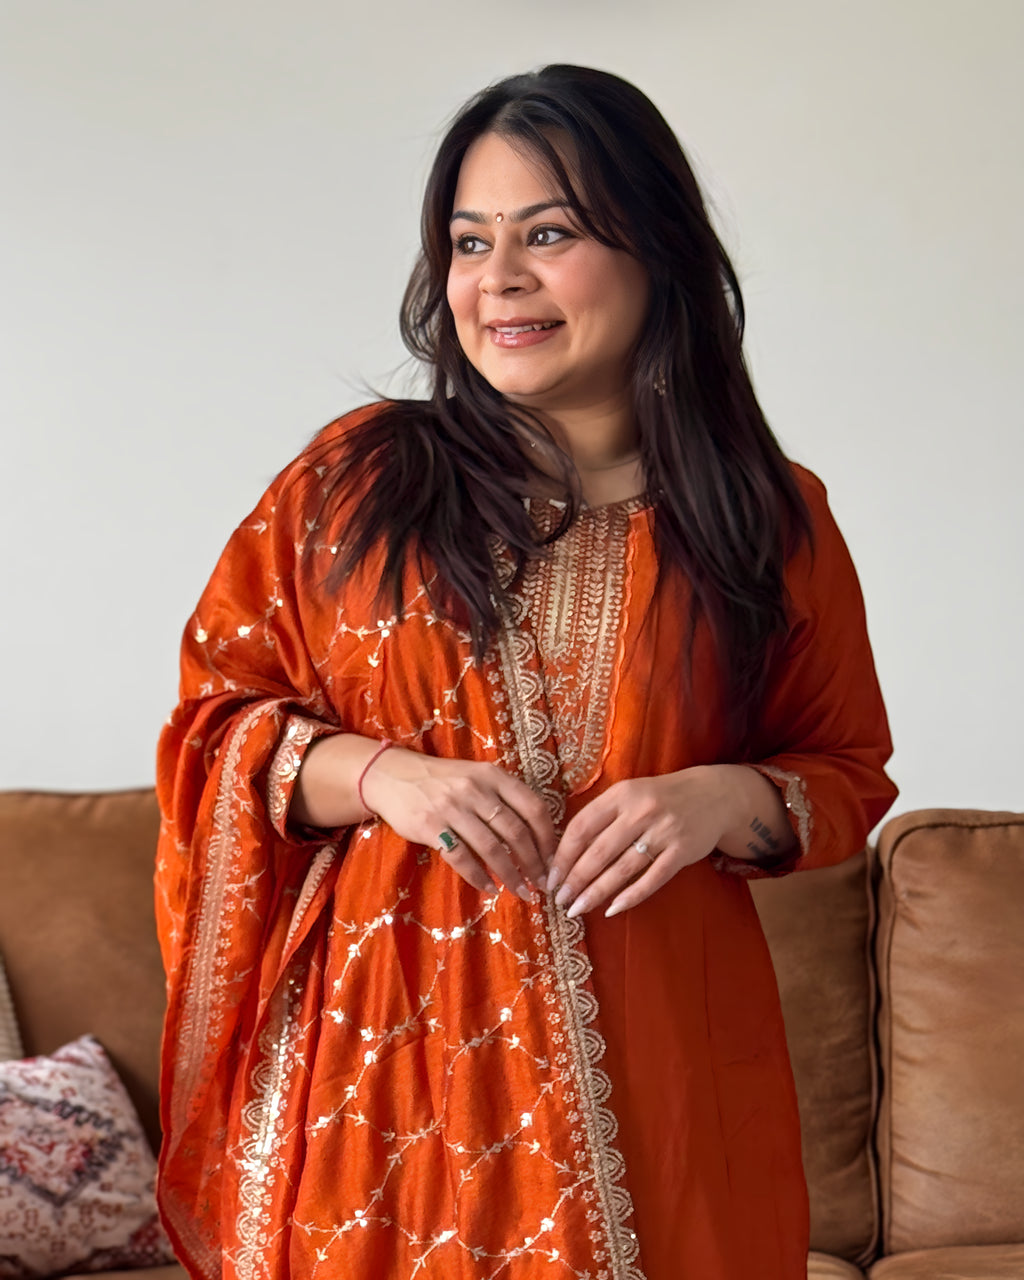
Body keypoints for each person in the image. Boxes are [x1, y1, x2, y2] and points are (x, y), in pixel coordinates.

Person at [155, 64, 897, 1280]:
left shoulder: (767, 517)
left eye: (547, 233)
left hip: (661, 1065)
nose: (496, 277)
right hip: (386, 1075)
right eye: (467, 240)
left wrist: (722, 796)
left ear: (657, 250)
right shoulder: (355, 485)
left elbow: (846, 771)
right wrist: (388, 776)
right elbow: (213, 726)